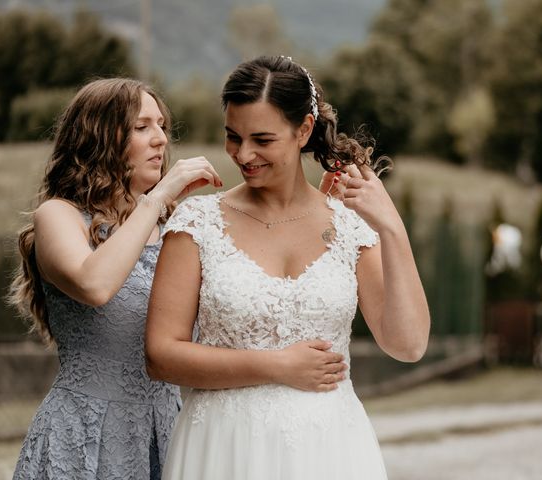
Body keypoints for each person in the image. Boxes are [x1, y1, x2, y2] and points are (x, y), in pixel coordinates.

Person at [8, 77, 346, 479]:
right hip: (85, 436)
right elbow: (93, 285)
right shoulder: (59, 216)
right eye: (142, 127)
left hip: (172, 433)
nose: (160, 140)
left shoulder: (175, 228)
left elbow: (242, 308)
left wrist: (312, 219)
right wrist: (157, 199)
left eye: (162, 126)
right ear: (96, 136)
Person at [145, 55, 431, 479]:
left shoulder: (349, 226)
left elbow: (407, 346)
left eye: (262, 139)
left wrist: (391, 227)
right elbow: (161, 356)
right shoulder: (197, 223)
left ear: (303, 130)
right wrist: (276, 365)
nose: (244, 154)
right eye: (233, 137)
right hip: (225, 448)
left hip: (329, 449)